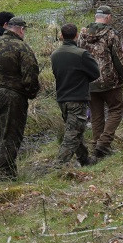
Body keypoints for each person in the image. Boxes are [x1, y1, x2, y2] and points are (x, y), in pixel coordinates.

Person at [0, 17, 39, 178]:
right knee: (10, 134)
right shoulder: (22, 47)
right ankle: (6, 173)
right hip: (11, 95)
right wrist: (31, 93)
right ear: (21, 29)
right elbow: (30, 73)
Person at [78, 5, 123, 159]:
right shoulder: (111, 34)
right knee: (116, 109)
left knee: (96, 115)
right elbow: (119, 59)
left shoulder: (83, 34)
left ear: (96, 16)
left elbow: (79, 57)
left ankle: (97, 146)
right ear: (108, 17)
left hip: (89, 81)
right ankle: (103, 144)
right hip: (110, 81)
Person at [51, 23, 100, 167]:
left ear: (61, 35)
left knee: (76, 129)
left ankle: (84, 159)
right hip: (77, 97)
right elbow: (95, 73)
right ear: (76, 35)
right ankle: (59, 164)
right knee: (72, 133)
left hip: (62, 97)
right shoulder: (81, 54)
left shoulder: (55, 55)